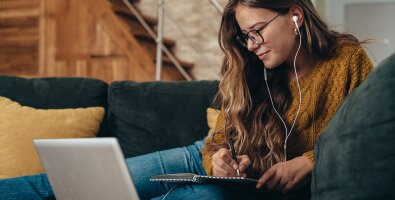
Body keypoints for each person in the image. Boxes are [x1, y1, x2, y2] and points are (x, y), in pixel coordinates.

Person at [0, 0, 373, 199]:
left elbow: (367, 140)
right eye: (245, 37)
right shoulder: (251, 69)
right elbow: (219, 141)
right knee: (74, 184)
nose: (252, 45)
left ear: (294, 15)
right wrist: (222, 159)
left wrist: (308, 163)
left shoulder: (347, 60)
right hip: (201, 159)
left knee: (199, 198)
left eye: (257, 31)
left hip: (245, 190)